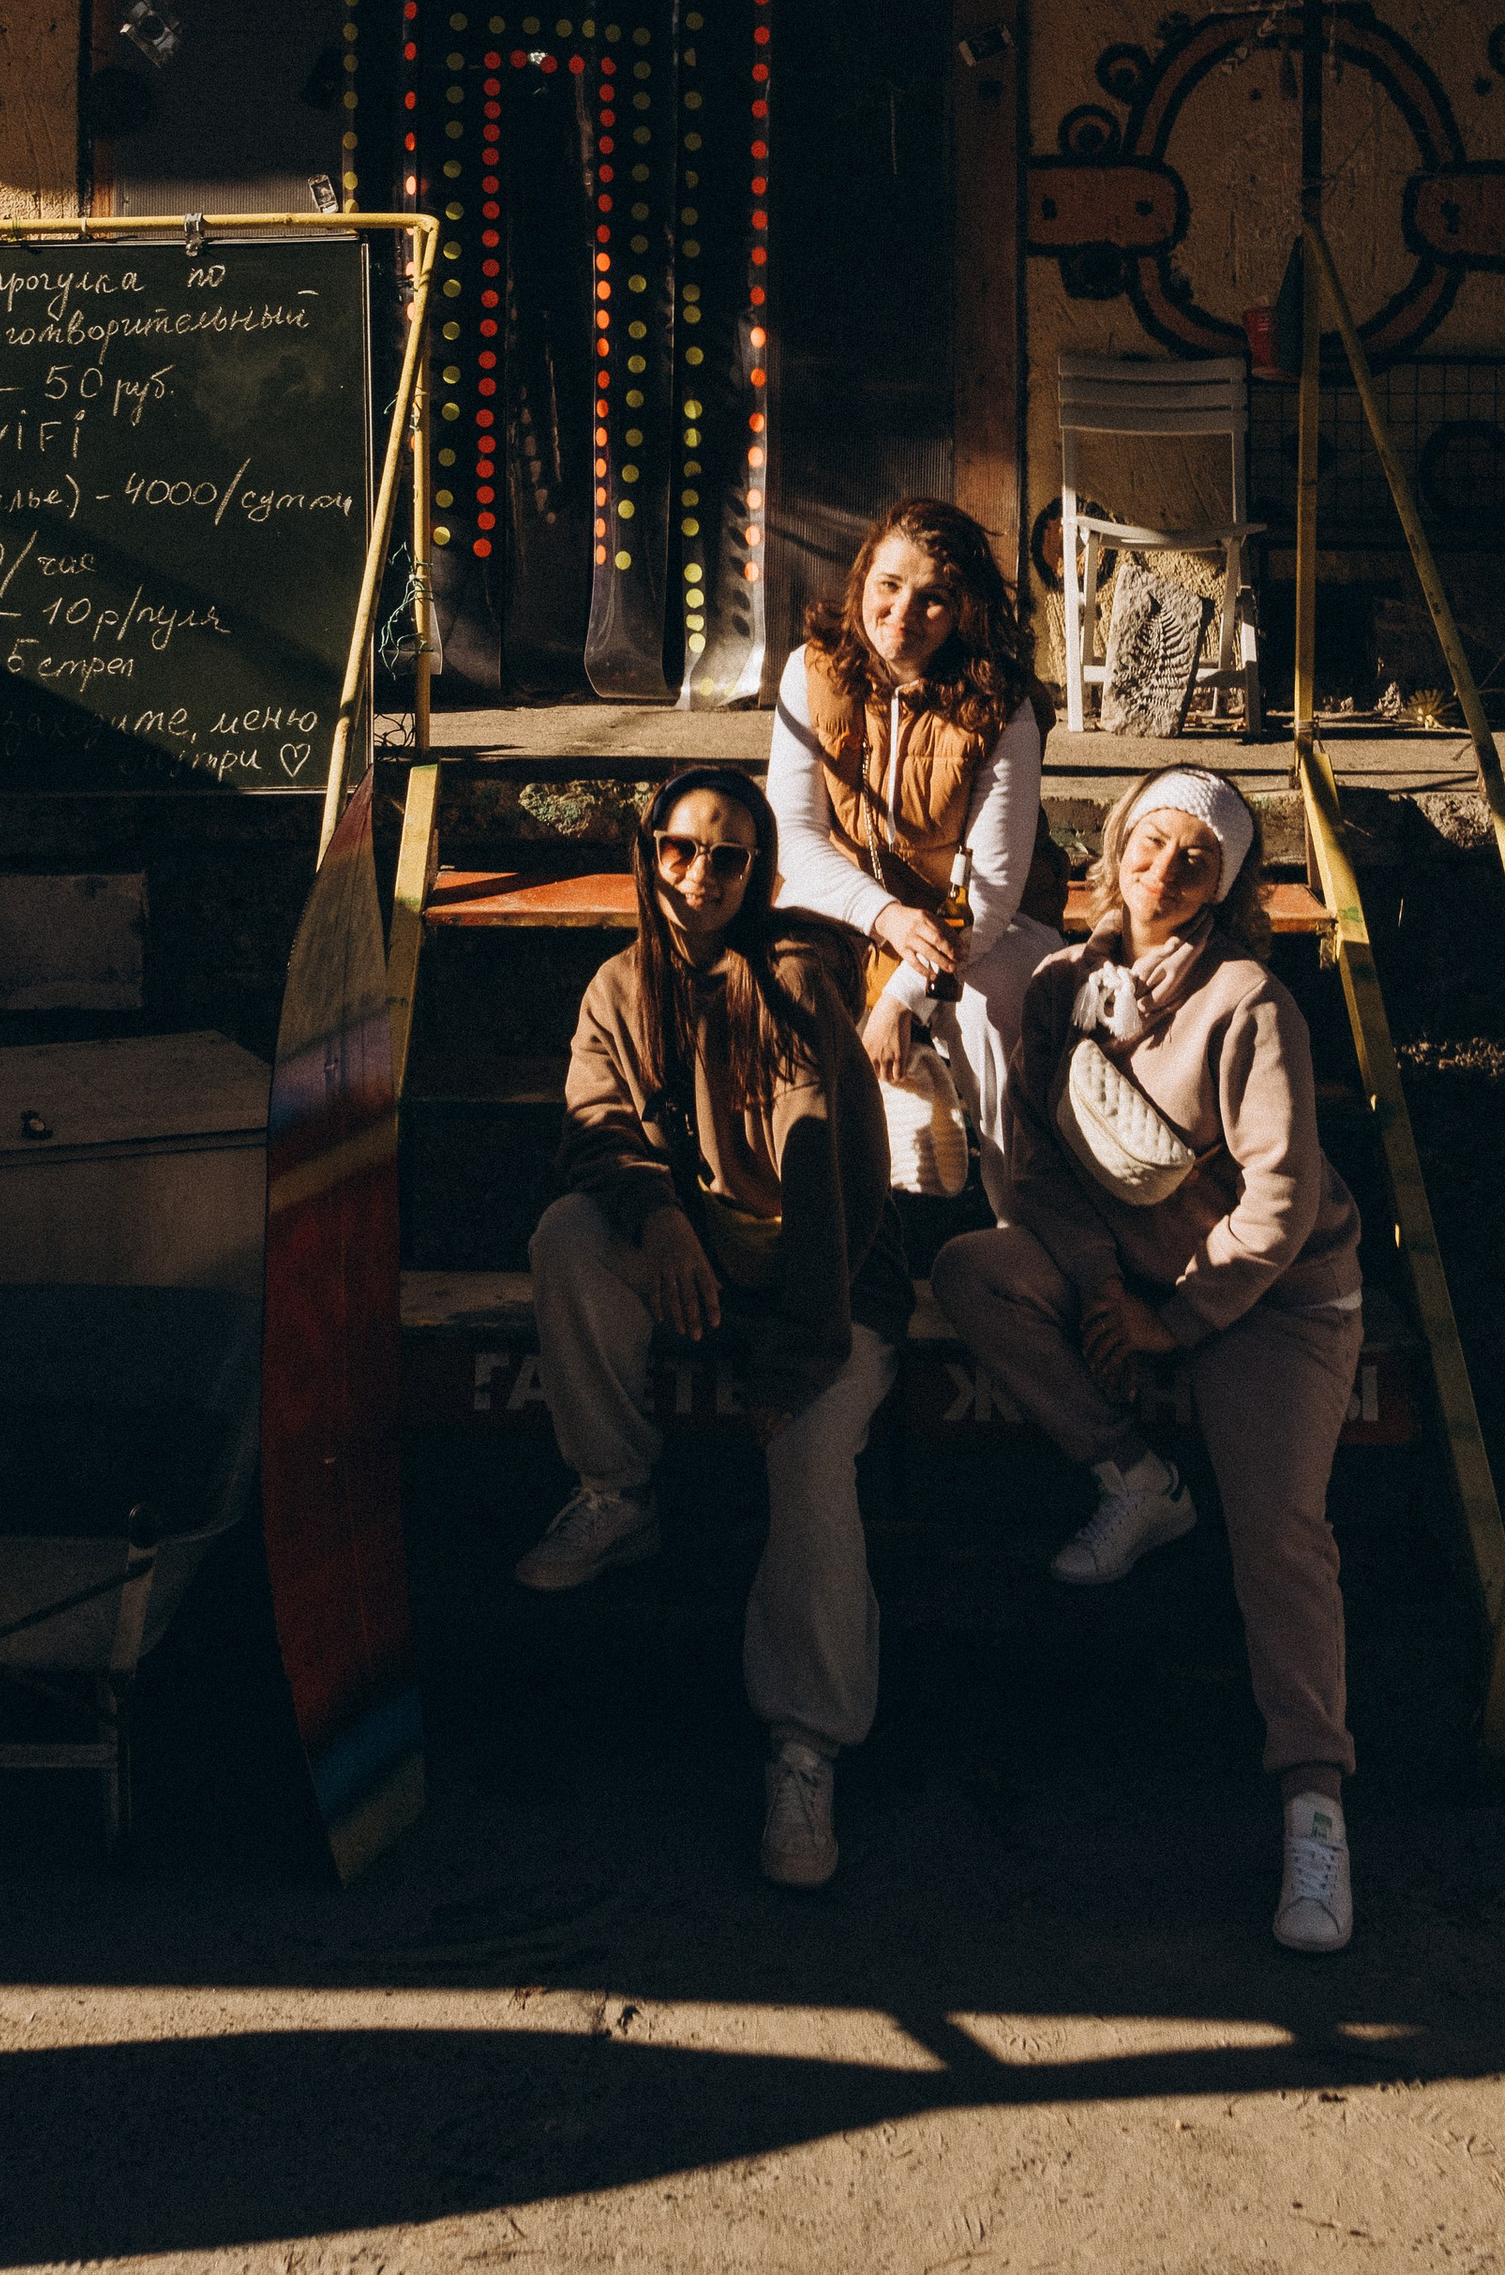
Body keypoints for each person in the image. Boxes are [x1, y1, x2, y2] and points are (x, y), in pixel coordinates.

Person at [931, 768, 1366, 1955]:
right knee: (974, 1270)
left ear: (1225, 888)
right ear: (1114, 846)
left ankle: (1312, 1806)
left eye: (1197, 859)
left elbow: (1278, 1203)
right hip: (1134, 1272)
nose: (1164, 870)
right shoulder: (1063, 985)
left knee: (1281, 1534)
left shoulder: (1247, 1001)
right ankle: (1136, 1479)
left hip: (1271, 1301)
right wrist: (1102, 1284)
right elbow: (1037, 1171)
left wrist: (1176, 1318)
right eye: (1150, 843)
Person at [515, 764, 911, 1891]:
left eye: (726, 855)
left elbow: (826, 1183)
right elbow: (593, 1126)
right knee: (567, 1237)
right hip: (696, 1265)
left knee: (808, 1456)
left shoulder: (789, 982)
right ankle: (614, 1489)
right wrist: (657, 1222)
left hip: (824, 1289)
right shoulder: (618, 986)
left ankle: (806, 1739)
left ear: (758, 870)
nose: (697, 875)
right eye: (678, 849)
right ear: (648, 856)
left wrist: (795, 1359)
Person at [766, 496, 1067, 1208]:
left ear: (966, 610)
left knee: (995, 1007)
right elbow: (796, 837)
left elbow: (990, 888)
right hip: (850, 911)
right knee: (780, 985)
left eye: (934, 599)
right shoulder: (812, 674)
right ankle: (810, 1223)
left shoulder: (1003, 704)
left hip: (976, 924)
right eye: (889, 585)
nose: (903, 612)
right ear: (863, 578)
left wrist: (904, 996)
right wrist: (887, 919)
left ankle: (1021, 1228)